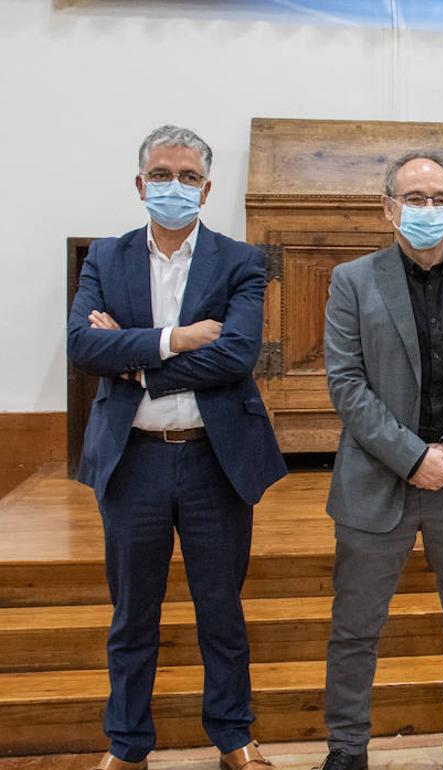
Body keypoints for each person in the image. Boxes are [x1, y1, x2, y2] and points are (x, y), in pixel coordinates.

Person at [66, 125, 287, 770]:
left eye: (188, 177)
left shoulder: (241, 260)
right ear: (140, 185)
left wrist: (134, 358)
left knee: (221, 608)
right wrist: (178, 339)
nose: (175, 187)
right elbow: (83, 346)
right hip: (132, 460)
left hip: (214, 460)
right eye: (162, 175)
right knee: (132, 613)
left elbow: (238, 355)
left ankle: (233, 735)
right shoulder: (106, 258)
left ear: (207, 189)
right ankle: (127, 744)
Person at [317, 152, 443, 770]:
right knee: (355, 626)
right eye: (414, 197)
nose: (427, 208)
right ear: (388, 207)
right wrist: (412, 457)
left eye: (438, 197)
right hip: (379, 477)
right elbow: (346, 384)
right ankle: (347, 748)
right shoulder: (352, 281)